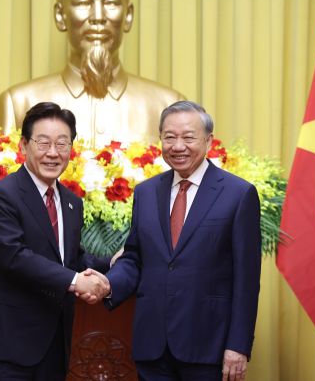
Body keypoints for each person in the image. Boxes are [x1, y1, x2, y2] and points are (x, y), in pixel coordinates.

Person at [103, 101, 262, 381]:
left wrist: (238, 346)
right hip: (152, 346)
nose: (178, 146)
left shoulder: (238, 194)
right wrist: (107, 284)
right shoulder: (146, 192)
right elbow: (135, 257)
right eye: (169, 137)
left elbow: (246, 280)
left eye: (188, 137)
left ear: (208, 141)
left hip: (208, 347)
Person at [0, 102, 111, 380]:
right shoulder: (3, 195)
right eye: (43, 143)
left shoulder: (71, 202)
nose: (53, 153)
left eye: (62, 144)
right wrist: (77, 281)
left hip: (54, 346)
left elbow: (71, 258)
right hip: (6, 347)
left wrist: (111, 263)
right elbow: (15, 257)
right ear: (24, 146)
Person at [0, 0, 183, 147]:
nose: (98, 17)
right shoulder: (19, 104)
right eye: (82, 3)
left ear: (128, 15)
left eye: (111, 3)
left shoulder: (168, 106)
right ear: (60, 15)